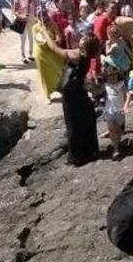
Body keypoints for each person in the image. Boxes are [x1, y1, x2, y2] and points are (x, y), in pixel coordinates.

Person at [45, 34, 102, 167]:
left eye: (83, 40)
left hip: (71, 93)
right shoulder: (85, 55)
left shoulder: (77, 56)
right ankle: (90, 151)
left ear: (85, 46)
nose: (81, 39)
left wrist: (45, 34)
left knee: (73, 124)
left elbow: (55, 49)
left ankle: (76, 156)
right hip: (78, 92)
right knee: (87, 119)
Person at [31, 8, 64, 99]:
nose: (43, 17)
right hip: (41, 53)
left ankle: (58, 88)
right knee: (44, 74)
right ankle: (47, 94)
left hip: (53, 52)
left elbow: (59, 38)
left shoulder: (53, 25)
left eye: (44, 14)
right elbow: (39, 41)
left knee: (58, 71)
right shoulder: (35, 27)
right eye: (40, 16)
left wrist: (53, 41)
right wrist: (48, 39)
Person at [13, 0, 37, 64]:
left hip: (31, 19)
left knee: (31, 38)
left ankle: (30, 54)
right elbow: (15, 11)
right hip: (22, 20)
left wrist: (35, 17)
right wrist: (22, 16)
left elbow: (35, 7)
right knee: (23, 39)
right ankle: (22, 55)